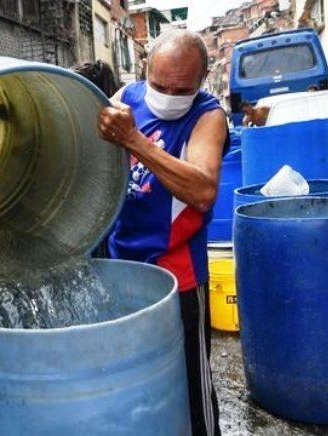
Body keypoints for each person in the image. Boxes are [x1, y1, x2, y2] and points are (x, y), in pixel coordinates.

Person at [98, 29, 227, 436]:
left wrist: (134, 140)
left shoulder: (207, 116)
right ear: (145, 70)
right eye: (159, 85)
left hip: (179, 278)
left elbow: (203, 190)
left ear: (202, 79)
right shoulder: (128, 98)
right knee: (136, 378)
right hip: (124, 269)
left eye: (181, 88)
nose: (168, 95)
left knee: (191, 385)